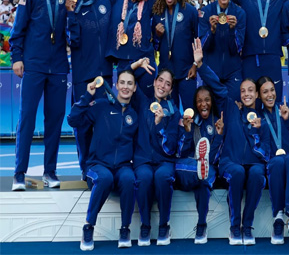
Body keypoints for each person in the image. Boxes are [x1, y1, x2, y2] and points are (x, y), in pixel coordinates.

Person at [65, 0, 128, 179]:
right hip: (82, 77)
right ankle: (84, 169)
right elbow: (72, 40)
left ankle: (97, 165)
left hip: (104, 75)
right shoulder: (74, 6)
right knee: (82, 125)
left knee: (103, 123)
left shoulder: (107, 2)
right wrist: (70, 13)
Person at [192, 38, 269, 246]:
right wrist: (200, 65)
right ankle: (235, 227)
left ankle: (247, 225)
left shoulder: (262, 118)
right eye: (243, 91)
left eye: (250, 91)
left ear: (257, 95)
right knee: (237, 172)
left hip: (253, 163)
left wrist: (258, 131)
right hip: (230, 161)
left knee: (256, 174)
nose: (246, 94)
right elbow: (216, 85)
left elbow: (265, 152)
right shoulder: (230, 106)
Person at [10, 0, 68, 191]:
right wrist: (17, 58)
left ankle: (49, 172)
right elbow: (18, 28)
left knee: (54, 121)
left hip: (58, 68)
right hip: (34, 64)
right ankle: (19, 174)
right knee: (27, 119)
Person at [67, 70, 139, 251]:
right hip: (97, 165)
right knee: (105, 178)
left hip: (122, 167)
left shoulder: (134, 116)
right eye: (122, 82)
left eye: (130, 83)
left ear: (135, 88)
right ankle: (88, 227)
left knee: (129, 179)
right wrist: (87, 94)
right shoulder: (100, 105)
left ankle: (125, 229)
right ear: (116, 85)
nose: (125, 87)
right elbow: (72, 120)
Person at [129, 59, 181, 246]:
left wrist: (160, 126)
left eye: (168, 84)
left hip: (164, 160)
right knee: (143, 178)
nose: (163, 85)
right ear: (155, 81)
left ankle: (164, 225)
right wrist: (135, 66)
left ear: (171, 90)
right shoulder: (142, 101)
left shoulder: (173, 112)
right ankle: (145, 225)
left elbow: (172, 147)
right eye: (161, 80)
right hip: (143, 159)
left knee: (162, 177)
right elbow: (126, 80)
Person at [176, 57, 226, 245]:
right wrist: (187, 133)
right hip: (189, 167)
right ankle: (199, 170)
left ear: (211, 102)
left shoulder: (217, 123)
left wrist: (219, 136)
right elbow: (181, 153)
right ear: (195, 104)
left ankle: (202, 224)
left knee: (205, 177)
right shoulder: (189, 122)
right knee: (176, 167)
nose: (203, 104)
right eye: (199, 101)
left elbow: (216, 158)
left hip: (208, 169)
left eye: (206, 100)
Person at [256, 76, 289, 244]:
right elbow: (260, 146)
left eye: (272, 90)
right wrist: (260, 127)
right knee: (277, 162)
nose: (270, 95)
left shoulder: (286, 108)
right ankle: (278, 218)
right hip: (273, 160)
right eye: (265, 92)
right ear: (259, 96)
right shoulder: (258, 117)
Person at [188, 0, 246, 101]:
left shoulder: (239, 13)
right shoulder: (206, 12)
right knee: (211, 113)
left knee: (232, 109)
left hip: (233, 71)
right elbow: (202, 46)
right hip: (211, 70)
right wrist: (211, 31)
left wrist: (232, 31)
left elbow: (237, 48)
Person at [151, 0, 198, 110]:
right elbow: (154, 46)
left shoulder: (190, 11)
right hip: (166, 74)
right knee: (169, 114)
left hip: (187, 72)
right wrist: (158, 36)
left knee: (190, 112)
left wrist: (195, 65)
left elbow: (198, 40)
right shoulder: (157, 14)